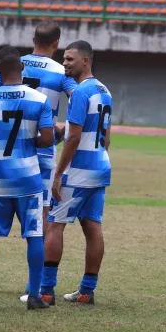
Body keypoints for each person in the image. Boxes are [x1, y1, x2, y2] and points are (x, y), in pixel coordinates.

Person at [0, 21, 77, 297]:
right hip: (40, 153)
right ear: (57, 43)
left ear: (33, 39)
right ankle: (37, 289)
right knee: (38, 223)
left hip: (2, 153)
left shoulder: (12, 64)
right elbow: (79, 101)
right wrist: (63, 127)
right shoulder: (61, 71)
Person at [0, 54, 55, 310]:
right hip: (28, 180)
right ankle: (35, 296)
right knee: (34, 235)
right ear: (22, 68)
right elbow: (48, 139)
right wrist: (28, 143)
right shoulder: (40, 99)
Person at [41, 40, 111, 305]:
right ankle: (86, 291)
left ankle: (46, 291)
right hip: (100, 166)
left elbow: (73, 137)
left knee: (54, 224)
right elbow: (107, 138)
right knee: (92, 225)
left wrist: (58, 174)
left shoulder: (80, 92)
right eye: (64, 58)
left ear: (85, 61)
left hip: (78, 170)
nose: (65, 63)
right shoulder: (105, 90)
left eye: (70, 59)